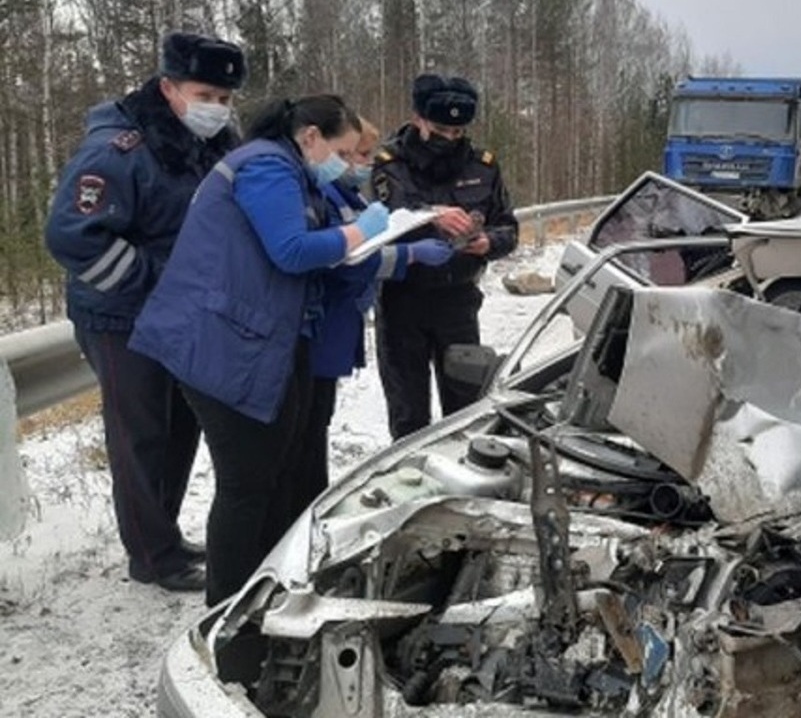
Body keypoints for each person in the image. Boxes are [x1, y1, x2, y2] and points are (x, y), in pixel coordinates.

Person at [128, 95, 388, 606]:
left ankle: (266, 591)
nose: (346, 161)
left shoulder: (286, 167)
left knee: (272, 471)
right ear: (310, 136)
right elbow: (290, 250)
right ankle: (228, 610)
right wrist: (361, 230)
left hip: (250, 337)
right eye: (343, 149)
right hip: (220, 342)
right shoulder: (268, 166)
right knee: (246, 482)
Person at [44, 31, 246, 592]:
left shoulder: (213, 143)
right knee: (141, 435)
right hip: (119, 316)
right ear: (169, 87)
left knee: (182, 426)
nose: (217, 108)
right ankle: (151, 556)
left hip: (182, 315)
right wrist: (156, 283)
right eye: (206, 94)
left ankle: (164, 533)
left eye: (227, 99)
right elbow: (72, 236)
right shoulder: (119, 149)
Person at [295, 120, 454, 509]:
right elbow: (346, 260)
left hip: (339, 323)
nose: (363, 164)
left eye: (364, 154)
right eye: (354, 155)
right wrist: (409, 254)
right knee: (305, 433)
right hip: (322, 323)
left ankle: (310, 502)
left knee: (317, 424)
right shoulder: (323, 191)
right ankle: (303, 511)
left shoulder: (347, 192)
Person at [372, 74, 518, 440]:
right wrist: (431, 214)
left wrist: (489, 242)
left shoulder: (482, 166)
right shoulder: (389, 163)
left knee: (466, 410)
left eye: (457, 131)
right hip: (402, 300)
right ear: (418, 119)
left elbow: (509, 228)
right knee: (408, 415)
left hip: (458, 301)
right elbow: (379, 222)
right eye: (440, 129)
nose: (449, 138)